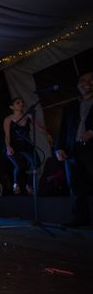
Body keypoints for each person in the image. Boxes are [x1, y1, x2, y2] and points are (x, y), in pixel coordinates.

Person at [55, 71, 93, 226]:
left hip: (91, 148)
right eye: (84, 80)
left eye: (91, 80)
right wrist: (58, 148)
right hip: (72, 150)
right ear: (78, 85)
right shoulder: (70, 107)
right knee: (75, 186)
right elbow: (62, 129)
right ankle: (80, 219)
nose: (88, 83)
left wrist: (92, 132)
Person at [3, 98, 36, 195]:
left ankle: (29, 184)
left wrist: (47, 134)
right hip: (13, 145)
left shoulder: (28, 116)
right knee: (20, 166)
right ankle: (16, 184)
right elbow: (7, 136)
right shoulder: (8, 119)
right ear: (12, 107)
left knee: (36, 162)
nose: (21, 103)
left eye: (22, 102)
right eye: (18, 102)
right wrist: (8, 146)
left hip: (26, 144)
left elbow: (38, 126)